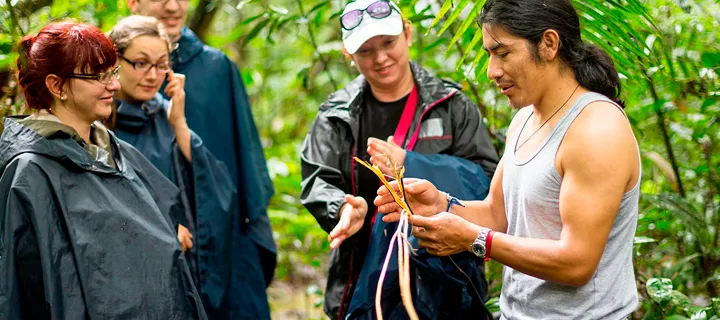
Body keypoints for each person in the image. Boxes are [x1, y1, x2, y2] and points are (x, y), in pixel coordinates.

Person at [375, 0, 642, 319]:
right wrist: (441, 204)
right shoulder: (526, 119)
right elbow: (498, 214)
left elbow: (577, 263)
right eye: (489, 54)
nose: (491, 71)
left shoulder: (597, 129)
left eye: (503, 53)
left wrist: (474, 239)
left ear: (548, 44)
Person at [300, 0, 499, 318]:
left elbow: (487, 182)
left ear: (407, 33)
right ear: (349, 56)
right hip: (362, 282)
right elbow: (317, 179)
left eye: (388, 42)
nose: (380, 58)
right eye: (365, 50)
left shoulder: (451, 105)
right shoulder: (336, 115)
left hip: (448, 285)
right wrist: (344, 208)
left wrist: (411, 163)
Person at [0, 21, 206, 319]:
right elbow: (22, 290)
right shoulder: (31, 172)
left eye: (112, 72)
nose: (113, 85)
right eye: (98, 76)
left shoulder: (112, 150)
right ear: (57, 86)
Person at [125, 1, 276, 318]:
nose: (173, 5)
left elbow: (247, 166)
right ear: (133, 2)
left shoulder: (217, 68)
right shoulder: (111, 77)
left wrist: (253, 240)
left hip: (224, 245)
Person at [106, 15, 238, 316]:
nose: (152, 75)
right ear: (115, 60)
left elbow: (215, 191)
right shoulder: (99, 125)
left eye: (161, 64)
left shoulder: (163, 114)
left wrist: (178, 122)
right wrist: (161, 229)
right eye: (140, 63)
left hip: (181, 272)